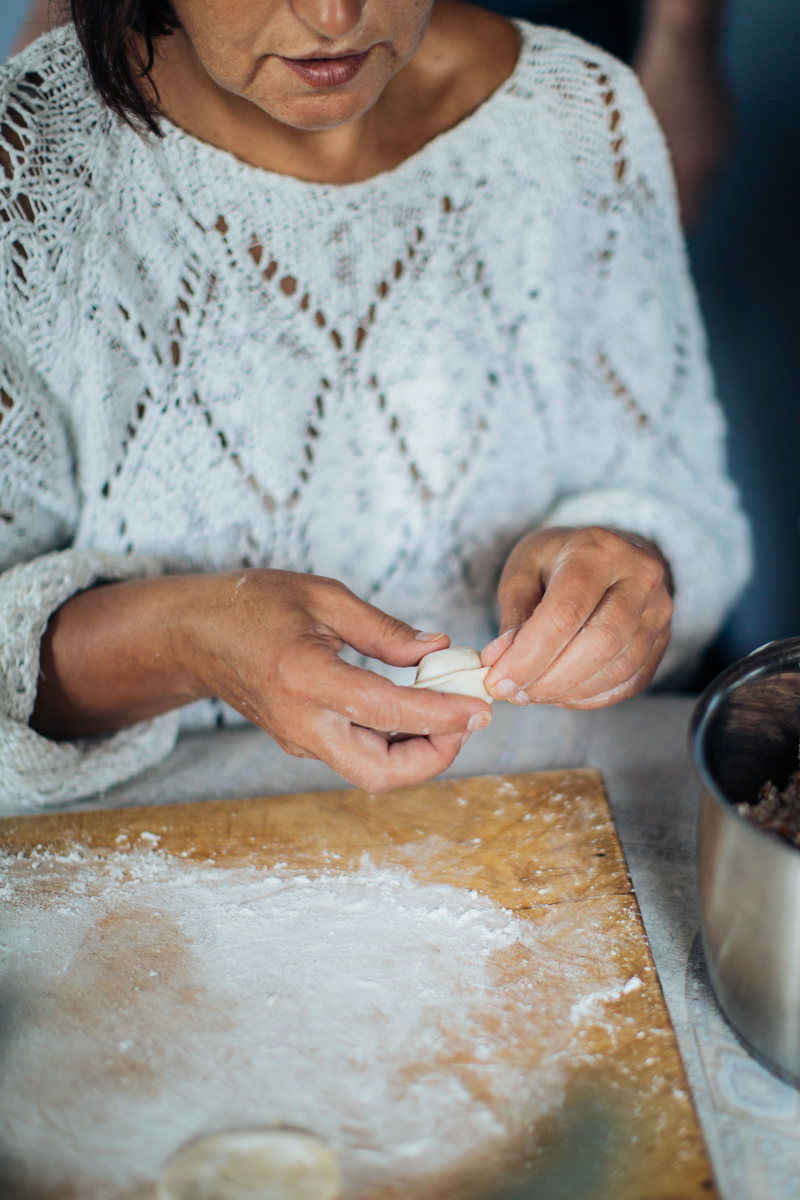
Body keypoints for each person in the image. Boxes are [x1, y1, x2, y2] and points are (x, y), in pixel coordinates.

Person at [0, 0, 750, 808]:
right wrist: (188, 643)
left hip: (517, 817)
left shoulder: (576, 112)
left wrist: (632, 572)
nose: (334, 16)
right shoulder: (37, 155)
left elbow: (685, 507)